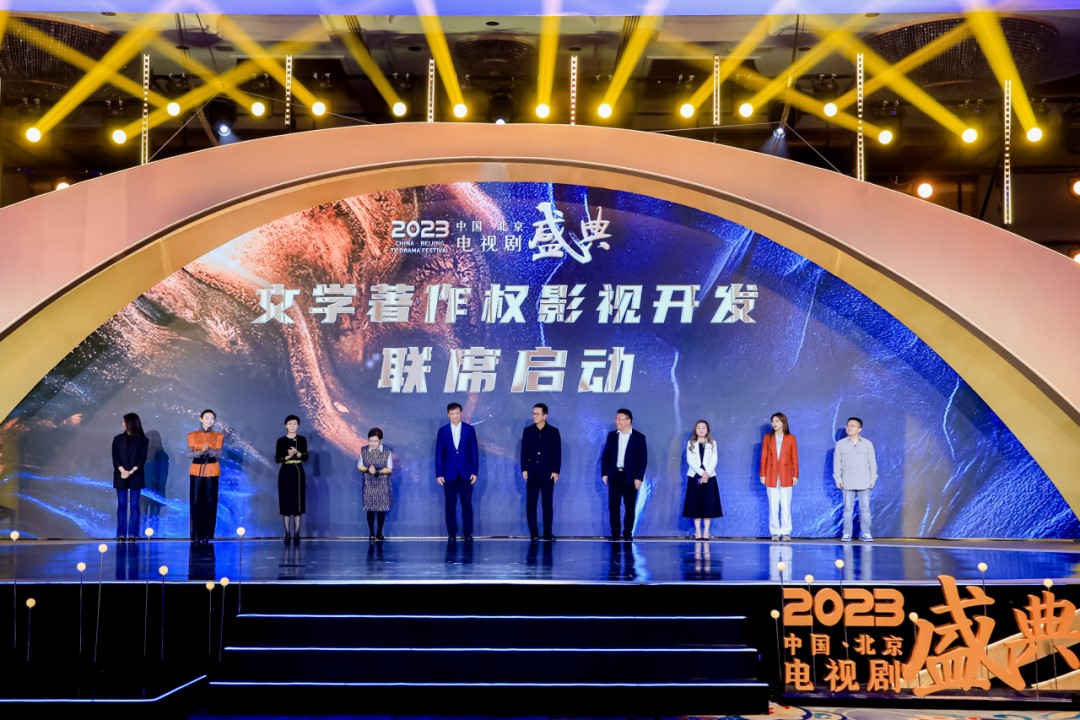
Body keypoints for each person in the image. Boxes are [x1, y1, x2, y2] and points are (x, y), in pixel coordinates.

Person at [601, 408, 648, 540]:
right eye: (616, 419)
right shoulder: (612, 436)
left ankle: (627, 534)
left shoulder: (639, 437)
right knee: (613, 506)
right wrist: (605, 473)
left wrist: (639, 478)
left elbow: (643, 460)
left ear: (628, 421)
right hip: (615, 475)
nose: (617, 422)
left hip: (630, 477)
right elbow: (606, 456)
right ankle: (615, 534)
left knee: (630, 506)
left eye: (620, 419)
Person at [435, 402, 479, 541]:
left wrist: (474, 471)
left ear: (461, 413)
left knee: (467, 503)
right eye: (452, 413)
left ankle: (468, 533)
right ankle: (452, 534)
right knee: (450, 503)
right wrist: (439, 473)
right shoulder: (442, 431)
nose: (455, 416)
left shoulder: (469, 429)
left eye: (457, 413)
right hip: (449, 473)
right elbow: (439, 453)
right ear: (448, 415)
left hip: (466, 472)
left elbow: (474, 451)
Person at [520, 403, 561, 541]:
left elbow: (557, 453)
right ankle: (534, 533)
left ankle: (548, 532)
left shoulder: (553, 432)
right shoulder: (528, 431)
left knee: (547, 503)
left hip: (548, 473)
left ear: (545, 416)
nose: (534, 416)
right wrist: (524, 469)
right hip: (532, 472)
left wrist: (556, 471)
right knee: (531, 503)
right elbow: (524, 452)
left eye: (537, 414)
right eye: (533, 414)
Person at [834, 417, 878, 542]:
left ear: (859, 429)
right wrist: (838, 479)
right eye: (848, 425)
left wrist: (873, 479)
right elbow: (837, 463)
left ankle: (866, 533)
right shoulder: (840, 444)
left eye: (852, 426)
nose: (849, 428)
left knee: (865, 509)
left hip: (864, 481)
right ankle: (847, 533)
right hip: (847, 481)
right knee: (848, 509)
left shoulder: (868, 444)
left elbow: (872, 463)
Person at [759, 412, 799, 542]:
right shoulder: (767, 438)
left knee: (786, 505)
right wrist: (763, 474)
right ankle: (775, 532)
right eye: (773, 421)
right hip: (771, 474)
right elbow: (764, 457)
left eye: (777, 421)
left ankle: (786, 532)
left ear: (783, 423)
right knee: (773, 505)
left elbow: (794, 457)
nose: (774, 423)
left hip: (786, 475)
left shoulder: (791, 438)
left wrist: (795, 474)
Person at [187, 408, 224, 545]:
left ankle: (208, 535)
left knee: (210, 502)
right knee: (196, 502)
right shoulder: (193, 435)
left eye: (212, 418)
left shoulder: (218, 436)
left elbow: (219, 454)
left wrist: (209, 450)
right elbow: (188, 454)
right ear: (201, 419)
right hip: (196, 470)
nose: (209, 420)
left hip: (212, 470)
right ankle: (196, 535)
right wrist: (201, 452)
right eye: (207, 418)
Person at [112, 412, 149, 541]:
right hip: (120, 475)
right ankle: (121, 534)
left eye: (124, 422)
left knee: (134, 505)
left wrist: (131, 471)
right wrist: (122, 470)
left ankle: (133, 533)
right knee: (122, 505)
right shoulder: (117, 439)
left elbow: (142, 459)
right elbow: (115, 458)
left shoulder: (143, 440)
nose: (123, 424)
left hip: (136, 476)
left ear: (130, 423)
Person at [682, 419, 722, 539]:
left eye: (703, 427)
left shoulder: (712, 443)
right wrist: (701, 472)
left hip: (710, 477)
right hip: (694, 476)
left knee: (708, 504)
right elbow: (690, 460)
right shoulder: (691, 443)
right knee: (696, 504)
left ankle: (706, 532)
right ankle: (698, 531)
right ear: (695, 430)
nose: (701, 430)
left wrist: (707, 473)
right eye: (698, 427)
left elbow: (714, 460)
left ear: (707, 430)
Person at [275, 414, 308, 543]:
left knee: (297, 503)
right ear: (286, 425)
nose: (292, 426)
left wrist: (297, 453)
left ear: (298, 426)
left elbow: (305, 457)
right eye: (290, 424)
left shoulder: (302, 440)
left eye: (295, 424)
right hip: (285, 471)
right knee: (286, 502)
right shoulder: (281, 441)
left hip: (298, 471)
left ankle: (297, 533)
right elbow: (277, 459)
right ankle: (287, 533)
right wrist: (288, 455)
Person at [358, 427, 394, 541]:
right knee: (370, 509)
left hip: (382, 484)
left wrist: (377, 471)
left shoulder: (387, 451)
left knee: (381, 509)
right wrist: (368, 469)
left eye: (375, 441)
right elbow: (360, 466)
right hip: (369, 484)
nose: (373, 443)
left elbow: (389, 468)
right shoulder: (364, 450)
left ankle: (379, 533)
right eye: (371, 441)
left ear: (380, 440)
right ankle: (371, 533)